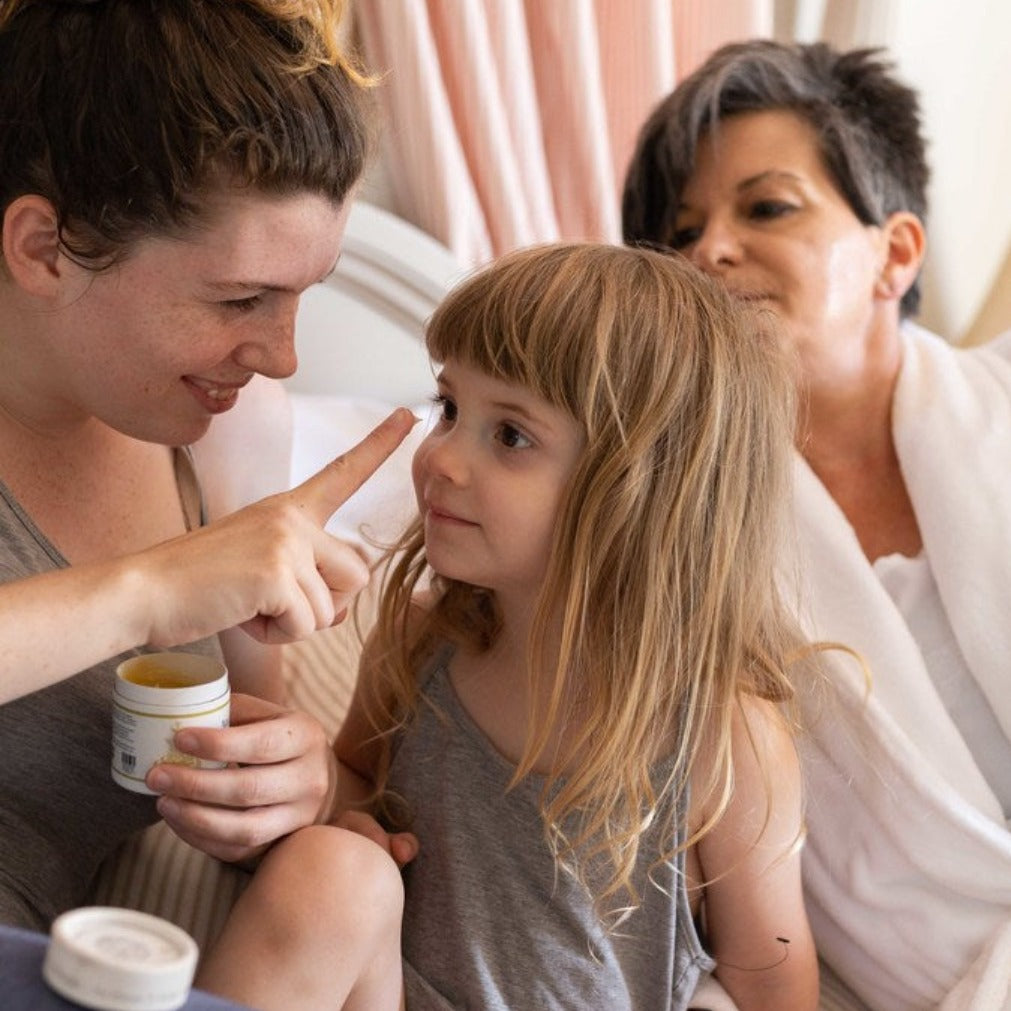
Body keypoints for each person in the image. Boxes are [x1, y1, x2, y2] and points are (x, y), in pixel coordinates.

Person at [0, 2, 416, 1005]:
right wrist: (151, 588)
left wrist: (294, 781)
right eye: (240, 300)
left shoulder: (226, 444)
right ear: (46, 248)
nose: (282, 355)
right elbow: (157, 596)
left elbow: (245, 737)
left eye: (302, 294)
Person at [327, 242, 820, 1011]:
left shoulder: (722, 741)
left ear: (640, 492)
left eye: (510, 435)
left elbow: (772, 983)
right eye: (450, 408)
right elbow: (354, 772)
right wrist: (339, 817)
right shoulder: (419, 640)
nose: (443, 457)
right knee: (315, 879)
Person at [623, 39, 1011, 1011]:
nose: (709, 250)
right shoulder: (665, 536)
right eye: (680, 233)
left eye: (766, 207)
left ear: (896, 251)